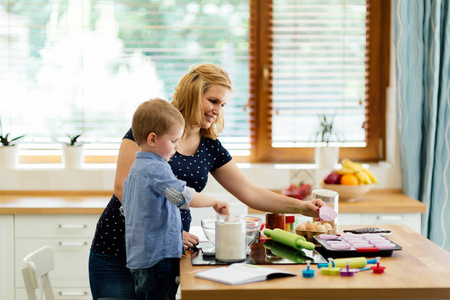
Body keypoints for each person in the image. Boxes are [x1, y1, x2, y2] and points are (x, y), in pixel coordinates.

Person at [89, 63, 325, 299]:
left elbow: (250, 192)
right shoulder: (152, 129)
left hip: (165, 254)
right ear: (192, 94)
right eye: (213, 101)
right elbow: (124, 188)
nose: (218, 111)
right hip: (116, 249)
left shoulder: (209, 146)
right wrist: (167, 232)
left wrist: (301, 206)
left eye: (222, 105)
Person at [122, 98, 229, 299]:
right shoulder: (157, 168)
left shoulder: (136, 169)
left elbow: (133, 207)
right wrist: (214, 202)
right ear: (152, 139)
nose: (177, 146)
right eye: (173, 141)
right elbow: (182, 196)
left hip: (139, 258)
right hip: (158, 258)